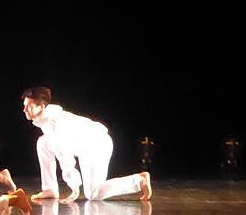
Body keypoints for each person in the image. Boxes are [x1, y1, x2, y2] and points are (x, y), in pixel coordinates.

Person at [21, 86, 152, 203]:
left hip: (96, 145)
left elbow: (65, 157)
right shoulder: (46, 120)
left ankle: (139, 181)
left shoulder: (55, 124)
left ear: (42, 106)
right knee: (43, 142)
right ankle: (50, 189)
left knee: (93, 194)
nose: (24, 109)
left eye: (29, 106)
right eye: (24, 105)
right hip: (83, 146)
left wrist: (74, 189)